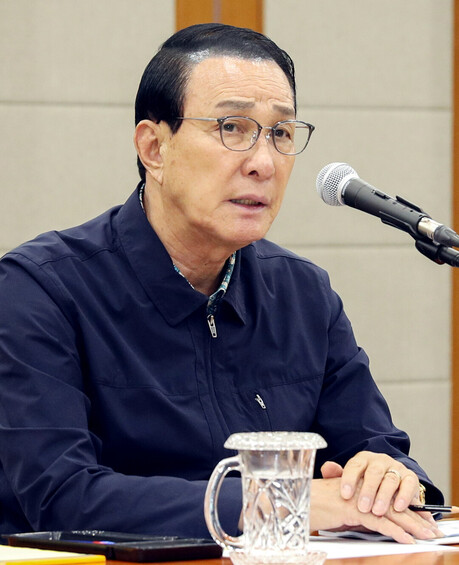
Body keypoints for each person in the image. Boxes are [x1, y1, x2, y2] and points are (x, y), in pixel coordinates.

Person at [0, 23, 444, 543]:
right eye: (232, 127)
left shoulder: (303, 295)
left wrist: (391, 478)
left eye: (281, 133)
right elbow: (62, 497)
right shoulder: (40, 290)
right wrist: (285, 502)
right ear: (154, 148)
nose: (264, 163)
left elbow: (379, 450)